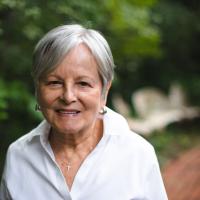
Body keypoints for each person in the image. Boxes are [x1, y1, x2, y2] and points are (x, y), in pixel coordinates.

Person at [0, 24, 168, 200]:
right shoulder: (18, 156)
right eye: (54, 82)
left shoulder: (138, 155)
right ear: (37, 89)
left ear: (105, 91)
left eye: (83, 83)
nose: (68, 96)